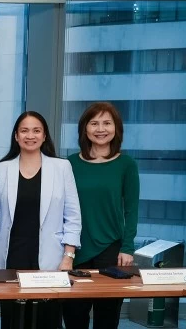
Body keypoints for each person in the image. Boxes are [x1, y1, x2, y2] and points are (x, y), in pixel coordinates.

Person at [0, 111, 82, 329]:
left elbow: (73, 216)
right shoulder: (1, 169)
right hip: (11, 255)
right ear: (16, 136)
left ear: (44, 136)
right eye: (24, 130)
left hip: (50, 257)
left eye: (36, 131)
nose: (30, 135)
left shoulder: (62, 167)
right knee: (13, 319)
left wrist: (68, 256)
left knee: (47, 319)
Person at [62, 102, 138, 329]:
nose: (101, 129)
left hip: (112, 250)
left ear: (116, 128)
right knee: (74, 316)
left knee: (107, 317)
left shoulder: (126, 164)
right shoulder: (69, 164)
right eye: (94, 123)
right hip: (75, 249)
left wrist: (127, 247)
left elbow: (131, 210)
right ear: (84, 128)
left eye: (107, 123)